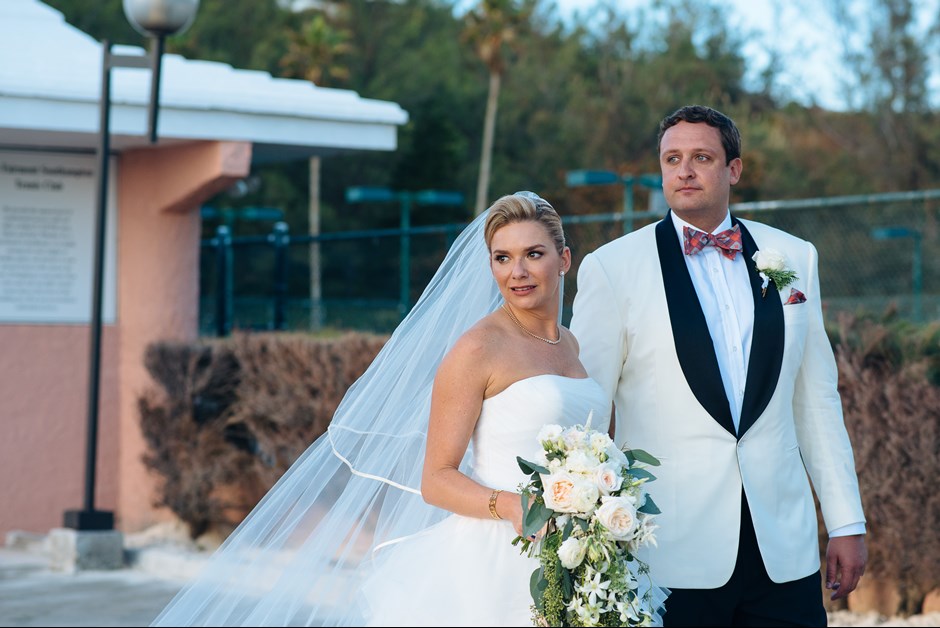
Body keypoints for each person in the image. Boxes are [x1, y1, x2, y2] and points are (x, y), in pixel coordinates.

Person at [153, 192, 658, 626]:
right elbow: (435, 478)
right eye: (502, 258)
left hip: (581, 560)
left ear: (564, 259)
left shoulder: (572, 345)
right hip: (493, 562)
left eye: (533, 254)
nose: (518, 271)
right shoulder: (478, 349)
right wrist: (516, 508)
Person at [570, 105, 867, 627]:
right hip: (669, 550)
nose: (684, 170)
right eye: (672, 159)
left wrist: (845, 520)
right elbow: (587, 415)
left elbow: (816, 400)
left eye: (701, 157)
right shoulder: (611, 269)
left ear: (733, 170)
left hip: (783, 548)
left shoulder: (794, 256)